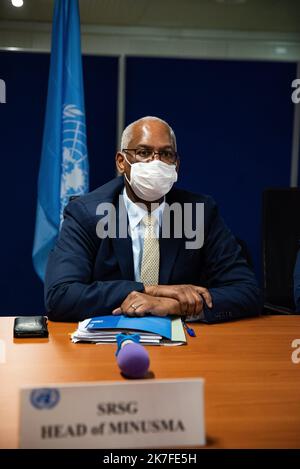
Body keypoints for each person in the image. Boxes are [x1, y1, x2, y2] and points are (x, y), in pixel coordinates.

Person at [45, 116, 261, 322]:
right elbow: (60, 295)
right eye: (143, 152)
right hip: (110, 345)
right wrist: (151, 290)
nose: (155, 162)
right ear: (122, 162)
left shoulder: (199, 212)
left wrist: (174, 306)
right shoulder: (87, 213)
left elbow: (247, 291)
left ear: (176, 165)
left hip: (185, 347)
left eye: (166, 154)